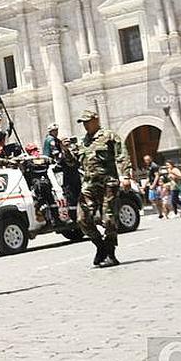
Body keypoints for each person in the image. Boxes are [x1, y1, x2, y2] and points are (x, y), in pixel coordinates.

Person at [74, 109, 130, 268]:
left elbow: (122, 155)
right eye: (83, 122)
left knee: (108, 218)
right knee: (82, 218)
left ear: (96, 119)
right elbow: (73, 163)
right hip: (89, 185)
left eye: (87, 121)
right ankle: (100, 246)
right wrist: (65, 150)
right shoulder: (83, 141)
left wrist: (125, 176)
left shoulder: (109, 136)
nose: (85, 125)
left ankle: (111, 254)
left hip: (108, 184)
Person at [142, 154, 164, 218]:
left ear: (150, 159)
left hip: (156, 185)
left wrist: (154, 185)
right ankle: (161, 212)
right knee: (153, 199)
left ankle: (162, 212)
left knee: (155, 199)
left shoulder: (154, 166)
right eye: (145, 160)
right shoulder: (149, 166)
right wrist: (144, 185)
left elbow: (157, 176)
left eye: (147, 160)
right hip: (152, 184)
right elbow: (149, 177)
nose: (146, 161)